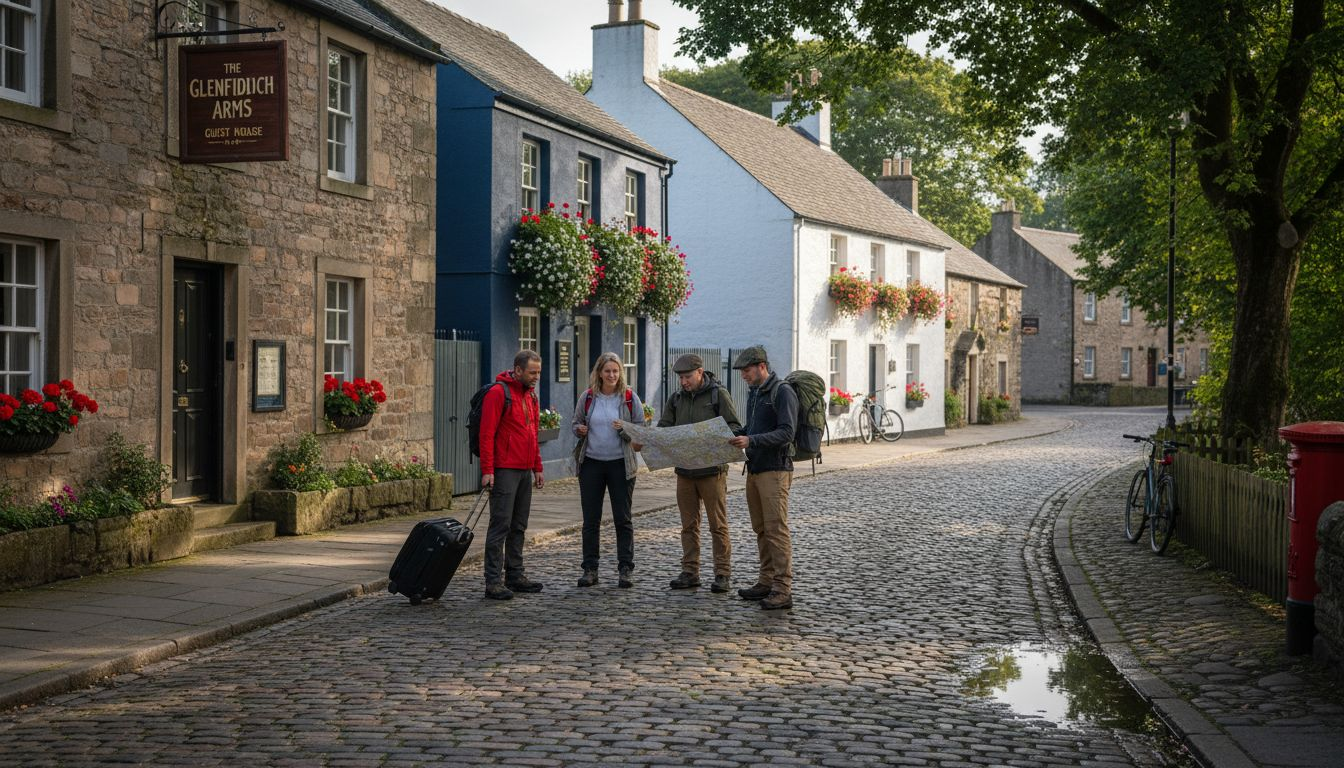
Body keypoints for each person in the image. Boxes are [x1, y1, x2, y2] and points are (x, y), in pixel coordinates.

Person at [660, 353, 742, 593]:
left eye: (687, 377)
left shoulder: (718, 395)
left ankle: (722, 574)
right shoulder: (675, 399)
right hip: (684, 471)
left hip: (712, 472)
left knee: (718, 525)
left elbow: (735, 426)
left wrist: (716, 437)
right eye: (680, 378)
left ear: (700, 372)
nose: (683, 382)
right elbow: (665, 427)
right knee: (688, 525)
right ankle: (690, 571)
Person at [727, 346, 796, 611]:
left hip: (775, 471)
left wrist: (751, 439)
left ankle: (782, 588)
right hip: (755, 469)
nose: (743, 375)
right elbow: (753, 428)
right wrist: (737, 433)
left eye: (746, 370)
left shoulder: (783, 392)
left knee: (776, 530)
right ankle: (766, 581)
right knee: (761, 529)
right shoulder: (755, 393)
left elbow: (786, 432)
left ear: (761, 366)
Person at [571, 352, 644, 589]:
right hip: (591, 463)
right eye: (607, 371)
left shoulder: (630, 398)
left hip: (620, 464)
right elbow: (575, 422)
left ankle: (625, 569)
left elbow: (640, 431)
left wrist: (625, 429)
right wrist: (579, 429)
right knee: (591, 520)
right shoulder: (588, 397)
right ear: (599, 373)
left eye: (616, 371)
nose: (612, 375)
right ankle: (590, 569)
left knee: (622, 519)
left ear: (620, 372)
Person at [478, 349, 545, 600]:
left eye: (538, 372)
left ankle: (515, 575)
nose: (536, 376)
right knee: (500, 525)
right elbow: (487, 434)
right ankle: (493, 581)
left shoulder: (531, 397)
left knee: (519, 526)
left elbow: (533, 433)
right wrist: (487, 471)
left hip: (524, 470)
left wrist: (537, 467)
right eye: (532, 372)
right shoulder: (498, 393)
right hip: (504, 469)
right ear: (517, 370)